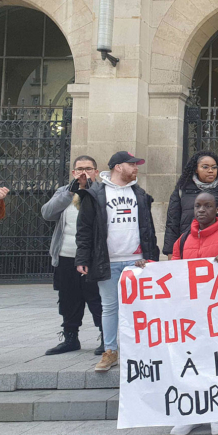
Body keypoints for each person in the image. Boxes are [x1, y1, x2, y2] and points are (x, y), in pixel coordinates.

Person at [159, 192, 218, 435]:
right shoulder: (182, 240)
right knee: (191, 363)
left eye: (207, 206)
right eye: (198, 206)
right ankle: (192, 413)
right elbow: (172, 274)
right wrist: (146, 271)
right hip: (190, 316)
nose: (201, 210)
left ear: (217, 210)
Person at [74, 151, 159, 372]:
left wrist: (151, 257)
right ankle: (110, 350)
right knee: (109, 307)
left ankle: (139, 350)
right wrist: (83, 258)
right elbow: (84, 229)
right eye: (132, 164)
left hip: (136, 262)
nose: (136, 168)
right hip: (107, 261)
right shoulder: (95, 194)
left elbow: (148, 229)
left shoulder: (139, 194)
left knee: (139, 308)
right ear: (118, 167)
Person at [41, 156, 103, 356]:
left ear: (95, 171)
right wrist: (70, 192)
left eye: (88, 168)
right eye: (79, 169)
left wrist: (89, 189)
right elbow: (47, 213)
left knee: (97, 298)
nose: (83, 172)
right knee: (68, 298)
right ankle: (70, 338)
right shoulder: (64, 192)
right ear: (73, 172)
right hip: (66, 255)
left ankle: (106, 337)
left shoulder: (102, 191)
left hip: (93, 257)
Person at [164, 151, 218, 256]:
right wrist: (170, 252)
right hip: (189, 248)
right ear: (196, 169)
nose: (211, 171)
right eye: (205, 167)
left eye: (214, 167)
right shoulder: (182, 190)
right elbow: (172, 222)